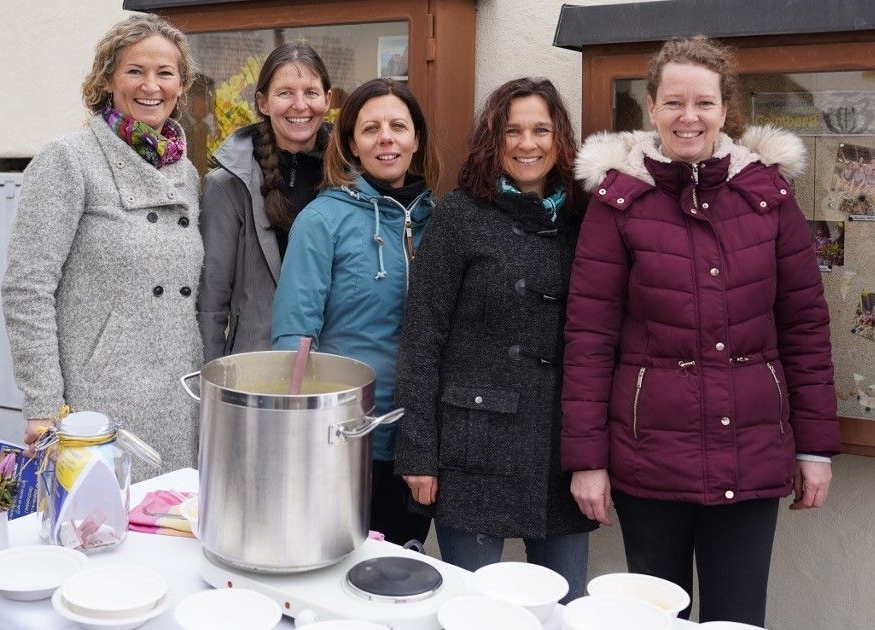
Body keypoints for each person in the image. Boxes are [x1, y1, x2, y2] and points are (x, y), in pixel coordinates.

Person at [561, 35, 841, 625]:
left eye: (704, 103)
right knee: (654, 617)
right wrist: (587, 458)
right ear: (652, 107)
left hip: (753, 449)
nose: (689, 117)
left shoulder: (767, 196)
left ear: (724, 108)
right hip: (649, 456)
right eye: (673, 102)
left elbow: (806, 328)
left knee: (736, 618)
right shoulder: (620, 202)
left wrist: (815, 446)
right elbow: (588, 339)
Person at [393, 77, 595, 601]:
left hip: (559, 450)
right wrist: (418, 453)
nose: (528, 144)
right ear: (493, 138)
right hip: (472, 446)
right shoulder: (460, 214)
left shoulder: (585, 216)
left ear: (560, 138)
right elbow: (422, 336)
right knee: (477, 608)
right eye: (513, 131)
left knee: (563, 606)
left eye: (541, 130)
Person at [1, 14, 203, 478]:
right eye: (135, 71)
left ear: (180, 85)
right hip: (96, 399)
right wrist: (42, 403)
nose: (150, 85)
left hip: (177, 393)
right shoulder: (68, 159)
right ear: (108, 79)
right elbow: (26, 288)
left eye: (165, 73)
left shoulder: (184, 172)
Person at [271, 78, 440, 546]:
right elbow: (294, 339)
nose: (386, 138)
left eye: (398, 126)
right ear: (351, 143)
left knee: (398, 578)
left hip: (416, 442)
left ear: (416, 138)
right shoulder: (322, 220)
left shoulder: (442, 222)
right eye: (371, 128)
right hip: (341, 442)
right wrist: (299, 435)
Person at [198, 43, 332, 362]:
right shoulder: (228, 185)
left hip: (333, 366)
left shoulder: (351, 180)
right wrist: (210, 385)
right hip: (254, 367)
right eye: (285, 92)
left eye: (311, 93)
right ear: (263, 102)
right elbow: (211, 303)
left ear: (328, 100)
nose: (300, 105)